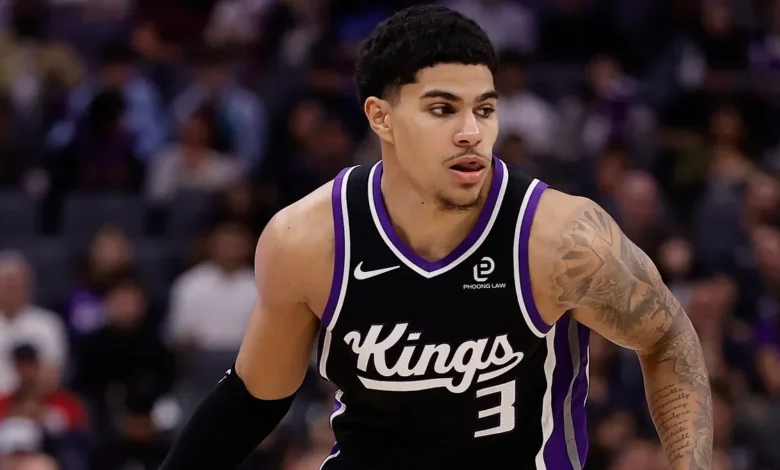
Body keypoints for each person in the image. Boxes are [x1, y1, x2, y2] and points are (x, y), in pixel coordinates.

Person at [160, 5, 713, 470]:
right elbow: (255, 398)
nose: (472, 132)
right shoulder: (307, 239)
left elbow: (667, 339)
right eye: (443, 109)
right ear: (381, 117)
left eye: (485, 109)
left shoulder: (561, 237)